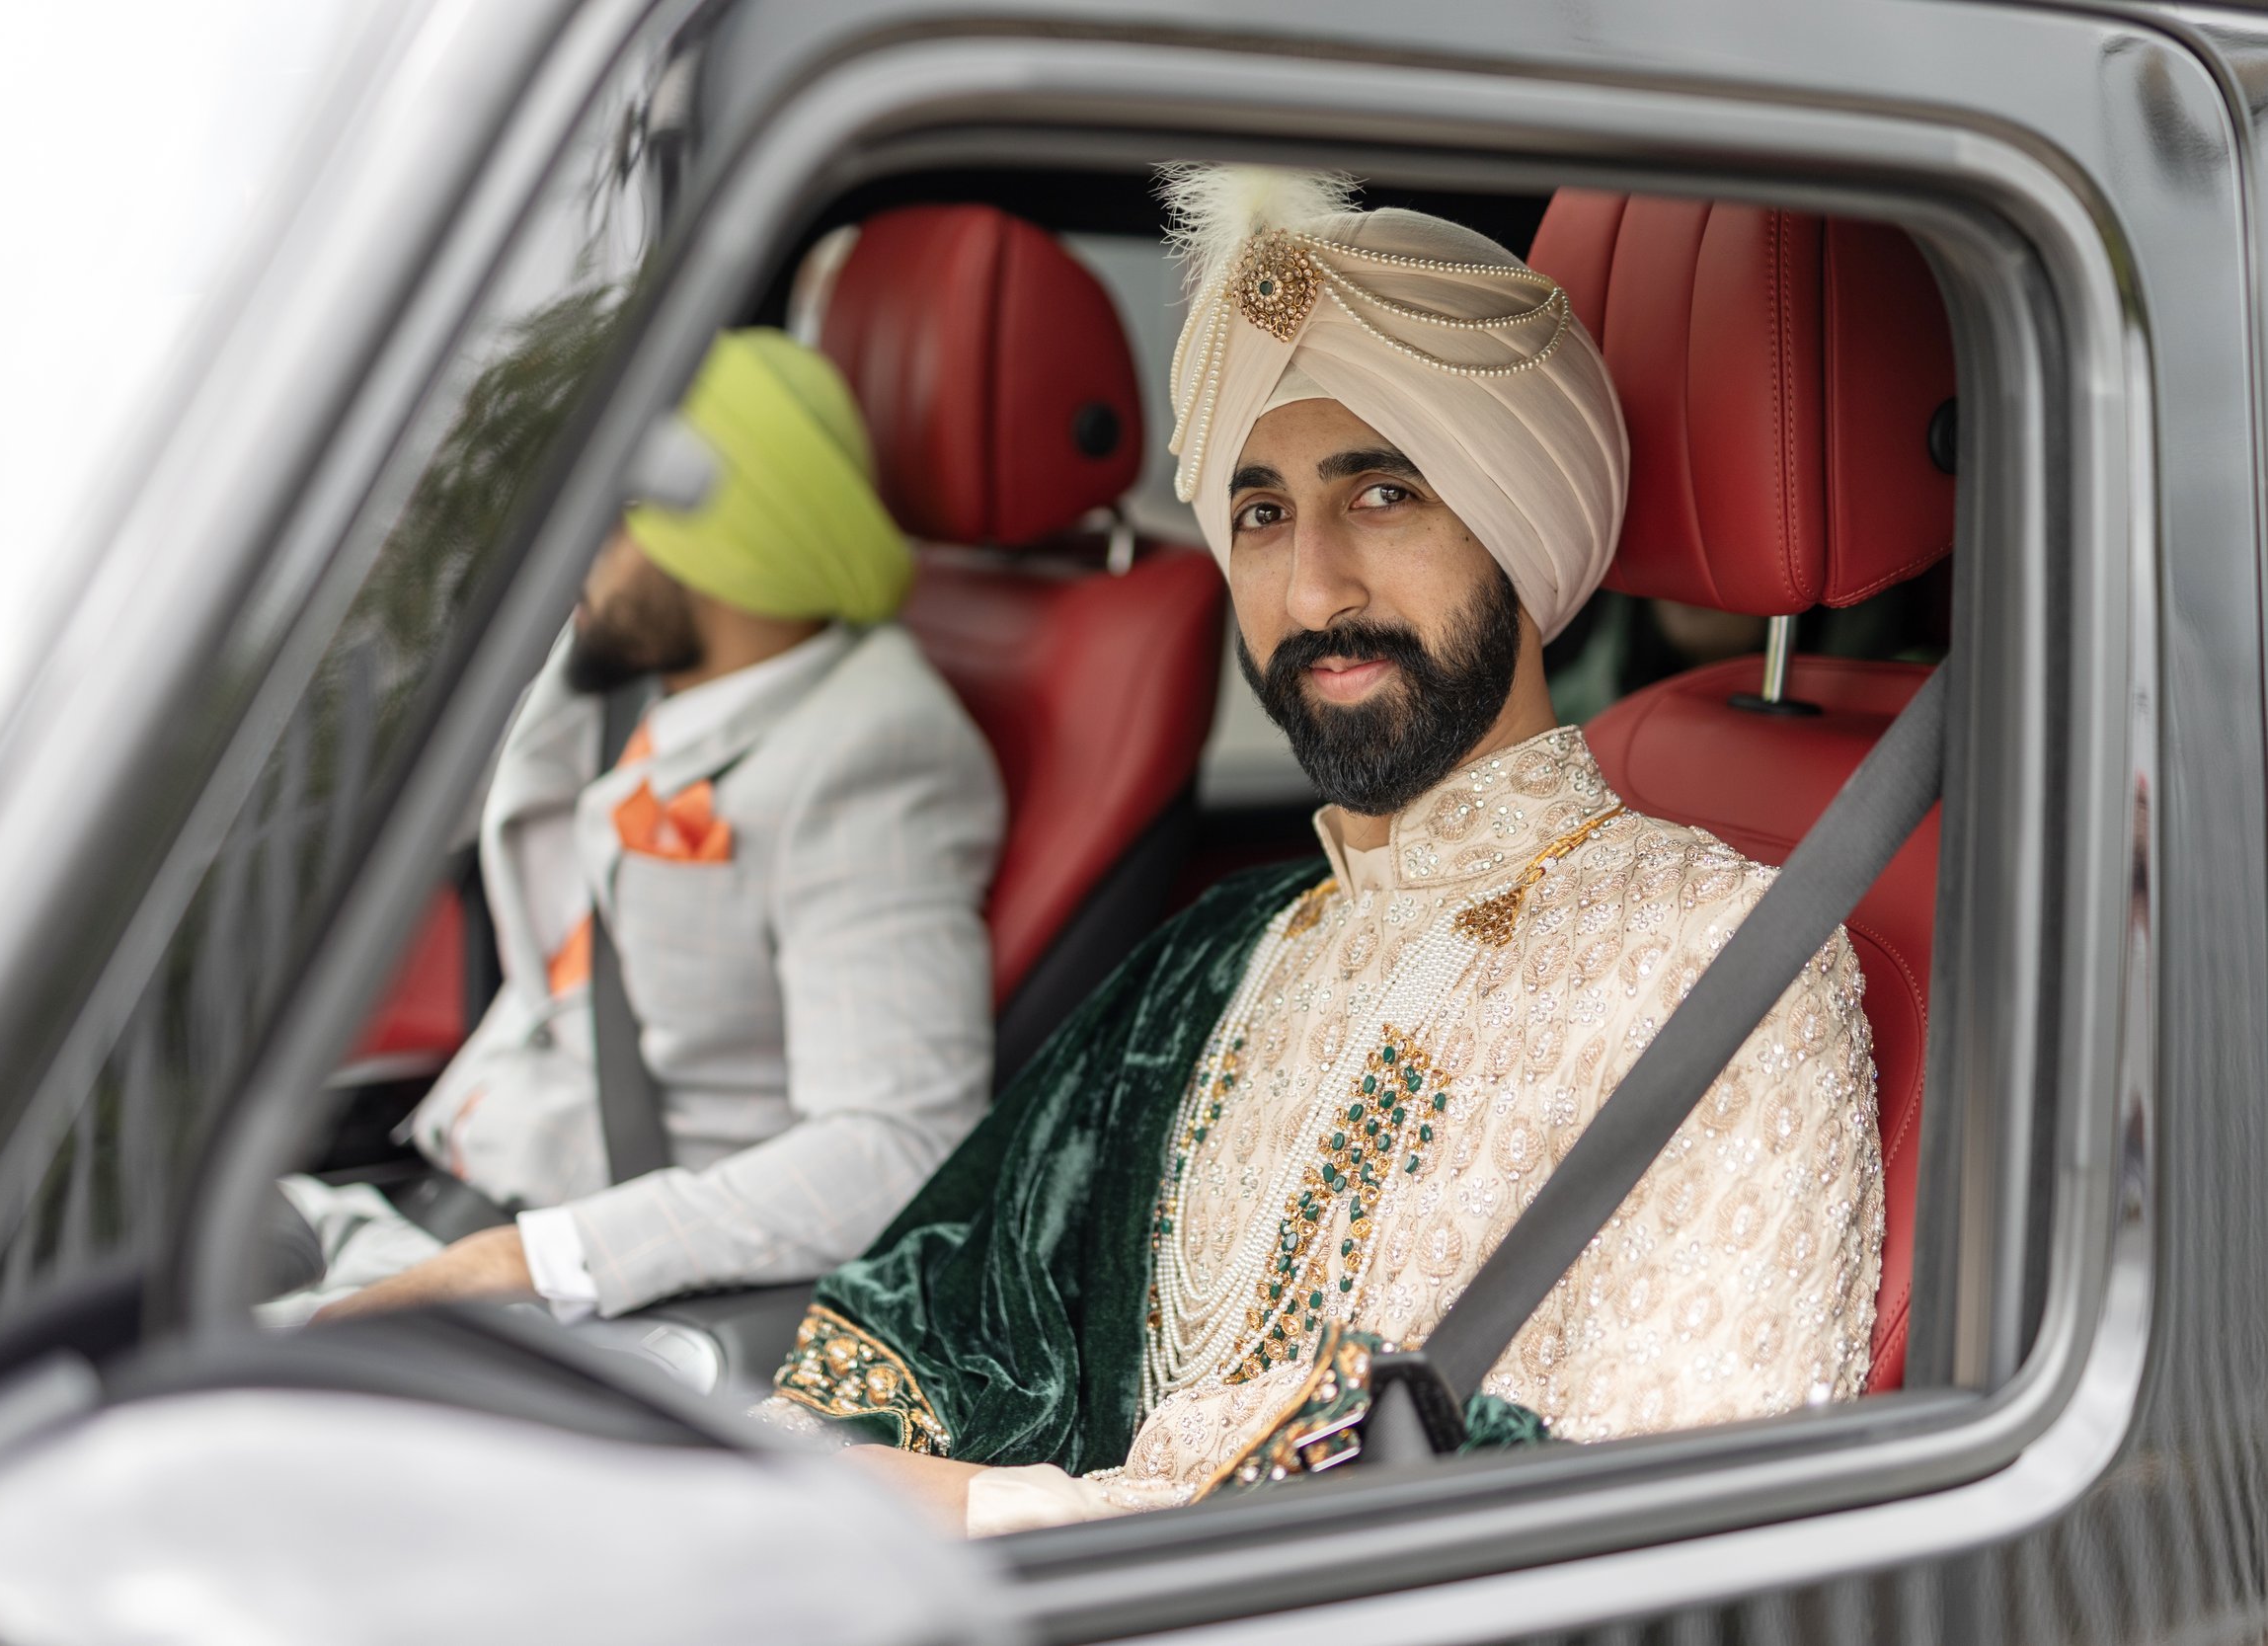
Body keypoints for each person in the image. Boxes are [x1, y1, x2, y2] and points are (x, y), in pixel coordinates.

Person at [756, 170, 1883, 1534]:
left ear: (1517, 525)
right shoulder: (1222, 949)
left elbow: (1658, 1541)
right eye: (1263, 511)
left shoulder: (1723, 965)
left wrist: (995, 1513)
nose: (1313, 592)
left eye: (1386, 493)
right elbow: (922, 1315)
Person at [280, 326, 1005, 1326]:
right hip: (440, 1183)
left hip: (597, 1275)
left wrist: (525, 1261)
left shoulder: (873, 751)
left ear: (729, 533)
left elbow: (894, 1143)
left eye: (609, 513)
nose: (569, 545)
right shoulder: (628, 673)